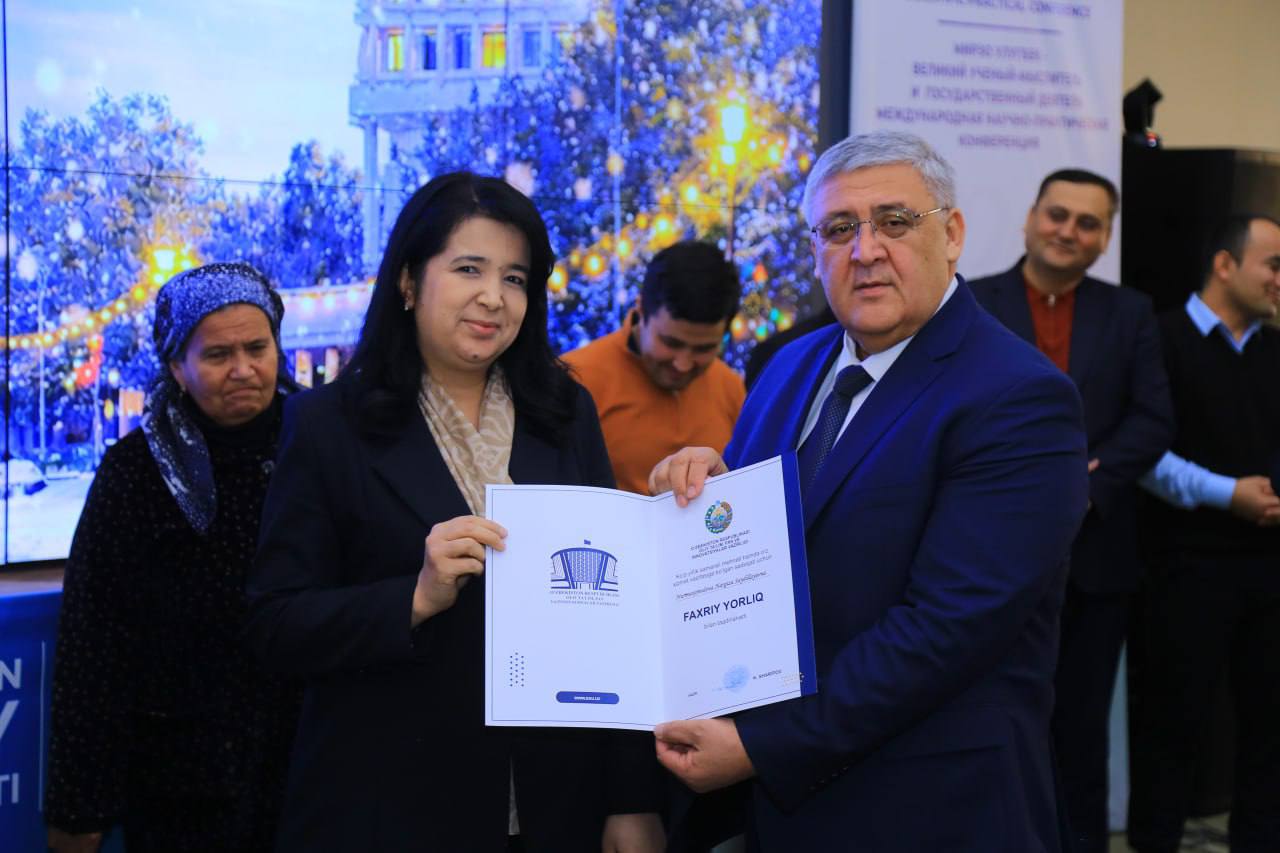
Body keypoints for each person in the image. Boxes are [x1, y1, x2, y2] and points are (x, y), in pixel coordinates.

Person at [647, 131, 1089, 851]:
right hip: (779, 810)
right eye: (839, 228)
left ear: (952, 234)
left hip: (930, 808)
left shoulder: (1020, 396)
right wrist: (708, 494)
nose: (866, 250)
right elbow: (768, 555)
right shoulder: (789, 366)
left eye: (895, 221)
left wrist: (763, 744)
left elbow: (944, 629)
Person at [245, 172, 664, 852]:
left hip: (556, 802)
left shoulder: (563, 412)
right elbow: (276, 625)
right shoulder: (327, 425)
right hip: (390, 805)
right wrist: (413, 598)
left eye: (515, 278)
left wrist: (630, 798)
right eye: (469, 268)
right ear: (409, 281)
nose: (493, 296)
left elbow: (609, 620)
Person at [45, 263, 301, 852]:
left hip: (309, 770)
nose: (243, 369)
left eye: (257, 348)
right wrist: (77, 812)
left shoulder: (320, 447)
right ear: (177, 367)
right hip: (182, 788)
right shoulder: (136, 475)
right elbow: (93, 651)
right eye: (217, 355)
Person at [969, 169, 1174, 853]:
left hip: (1096, 561)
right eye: (1058, 215)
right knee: (992, 728)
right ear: (1031, 218)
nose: (1069, 232)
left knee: (1081, 735)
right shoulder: (970, 303)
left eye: (1089, 223)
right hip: (987, 562)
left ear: (1106, 237)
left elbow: (1153, 418)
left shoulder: (1131, 312)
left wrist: (1089, 479)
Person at [1127, 214, 1280, 853]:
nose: (1279, 280)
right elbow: (1141, 452)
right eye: (1273, 264)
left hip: (1270, 570)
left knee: (1269, 733)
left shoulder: (1274, 350)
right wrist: (1229, 494)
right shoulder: (1158, 338)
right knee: (1170, 729)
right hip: (1182, 568)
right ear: (1225, 264)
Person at [562, 240, 744, 494]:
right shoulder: (573, 381)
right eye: (670, 343)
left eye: (703, 349)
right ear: (640, 310)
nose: (683, 365)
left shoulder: (731, 388)